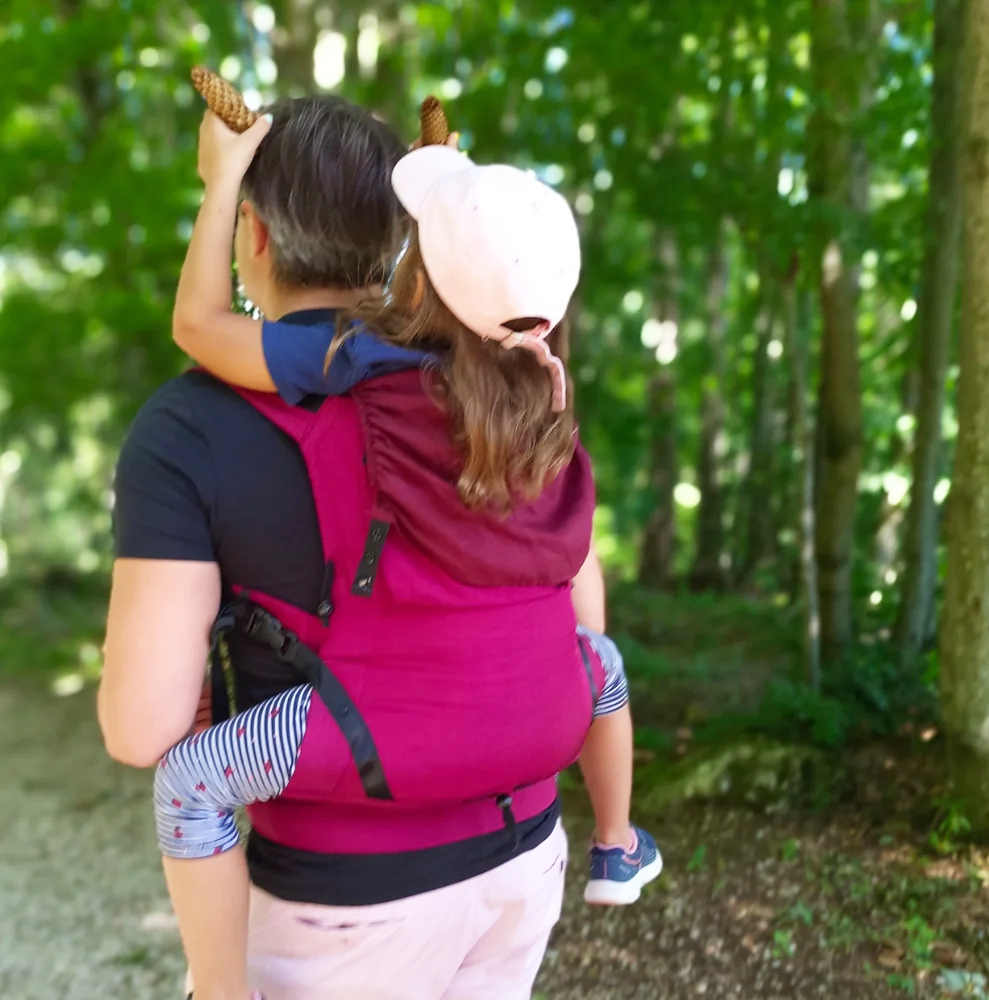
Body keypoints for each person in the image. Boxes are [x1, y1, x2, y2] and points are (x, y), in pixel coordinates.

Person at [98, 97, 655, 1000]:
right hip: (523, 862)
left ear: (256, 234)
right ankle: (621, 848)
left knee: (188, 782)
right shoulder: (511, 403)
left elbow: (140, 727)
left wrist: (219, 177)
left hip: (345, 904)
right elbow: (582, 619)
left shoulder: (199, 421)